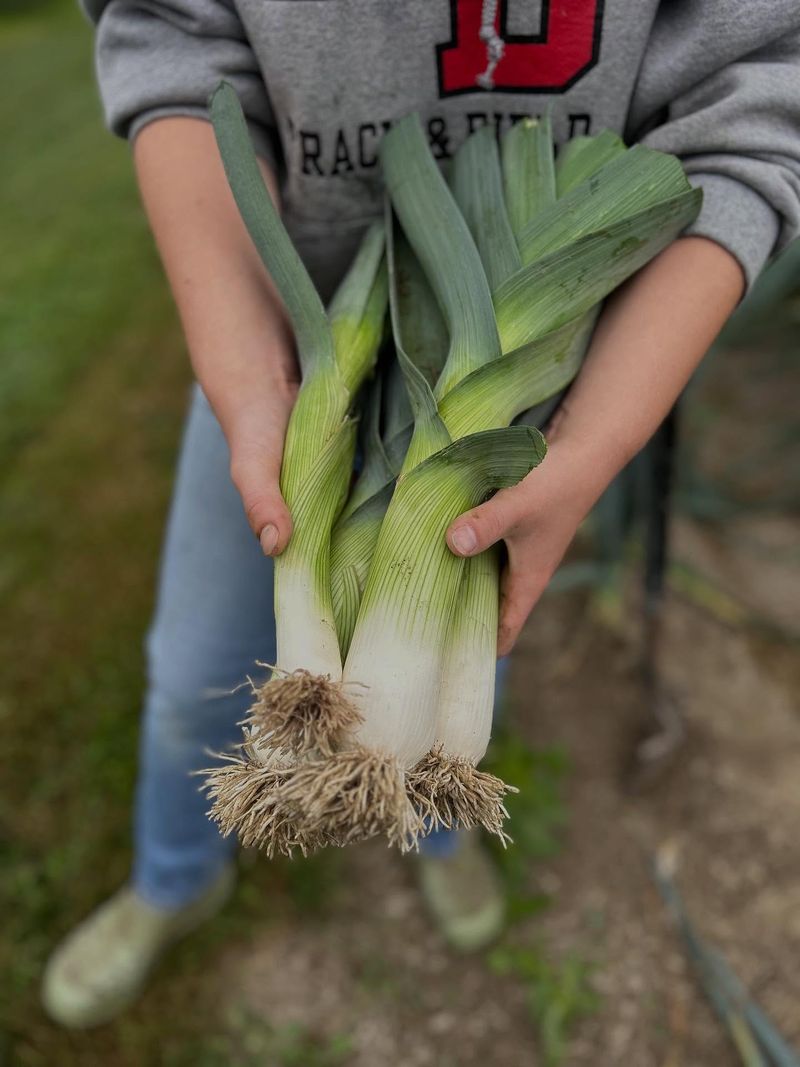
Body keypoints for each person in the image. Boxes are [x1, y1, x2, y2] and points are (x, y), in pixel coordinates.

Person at [43, 0, 800, 1029]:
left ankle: (431, 811)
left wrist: (593, 443)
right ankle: (173, 876)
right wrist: (243, 369)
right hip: (277, 366)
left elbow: (755, 110)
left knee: (476, 637)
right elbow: (173, 47)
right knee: (187, 680)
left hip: (517, 424)